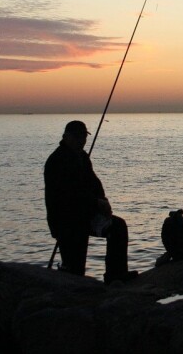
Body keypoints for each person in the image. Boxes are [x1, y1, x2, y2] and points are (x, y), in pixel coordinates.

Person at [44, 120, 137, 284]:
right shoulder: (56, 161)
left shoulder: (82, 158)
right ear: (66, 137)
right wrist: (96, 203)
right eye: (77, 136)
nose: (82, 140)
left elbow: (94, 183)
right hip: (66, 221)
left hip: (87, 216)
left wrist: (103, 202)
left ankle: (116, 275)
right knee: (75, 271)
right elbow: (68, 194)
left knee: (117, 227)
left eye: (83, 136)